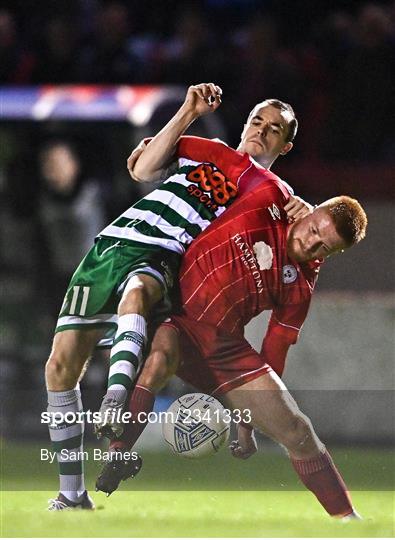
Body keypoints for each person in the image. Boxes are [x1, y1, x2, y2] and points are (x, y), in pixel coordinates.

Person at [45, 83, 307, 510]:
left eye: (274, 129)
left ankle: (115, 398)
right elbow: (143, 170)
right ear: (245, 123)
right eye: (258, 120)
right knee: (59, 368)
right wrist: (188, 111)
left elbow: (300, 232)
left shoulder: (272, 192)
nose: (262, 130)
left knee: (138, 293)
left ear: (286, 144)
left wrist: (301, 211)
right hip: (112, 245)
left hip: (168, 254)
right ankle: (72, 494)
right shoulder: (209, 149)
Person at [97, 162, 367, 519]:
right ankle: (118, 453)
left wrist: (245, 421)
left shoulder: (299, 285)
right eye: (315, 228)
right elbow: (228, 159)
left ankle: (348, 520)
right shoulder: (269, 197)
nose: (310, 241)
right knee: (159, 359)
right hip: (175, 311)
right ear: (310, 209)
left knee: (298, 430)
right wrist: (174, 132)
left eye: (324, 247)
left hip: (223, 347)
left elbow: (275, 349)